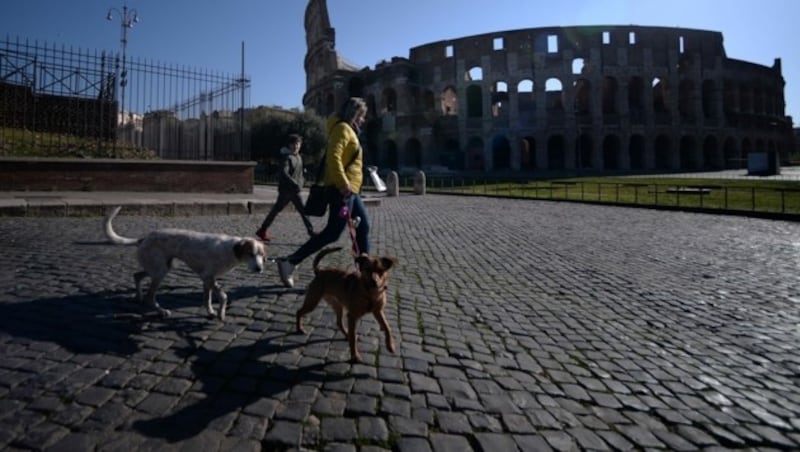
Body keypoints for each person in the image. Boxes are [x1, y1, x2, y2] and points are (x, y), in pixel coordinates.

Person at [276, 97, 370, 288]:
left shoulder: (349, 131)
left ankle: (365, 275)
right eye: (361, 116)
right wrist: (343, 184)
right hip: (342, 190)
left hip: (352, 191)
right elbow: (333, 159)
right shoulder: (342, 129)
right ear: (353, 114)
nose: (363, 120)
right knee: (332, 233)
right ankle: (290, 261)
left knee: (363, 227)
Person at [255, 133, 316, 242]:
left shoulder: (299, 157)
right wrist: (295, 184)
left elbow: (300, 173)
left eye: (298, 144)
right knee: (301, 211)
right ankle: (311, 232)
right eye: (294, 144)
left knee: (278, 210)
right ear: (289, 145)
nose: (296, 146)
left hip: (294, 190)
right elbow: (284, 172)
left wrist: (302, 182)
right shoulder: (287, 158)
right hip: (287, 191)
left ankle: (262, 229)